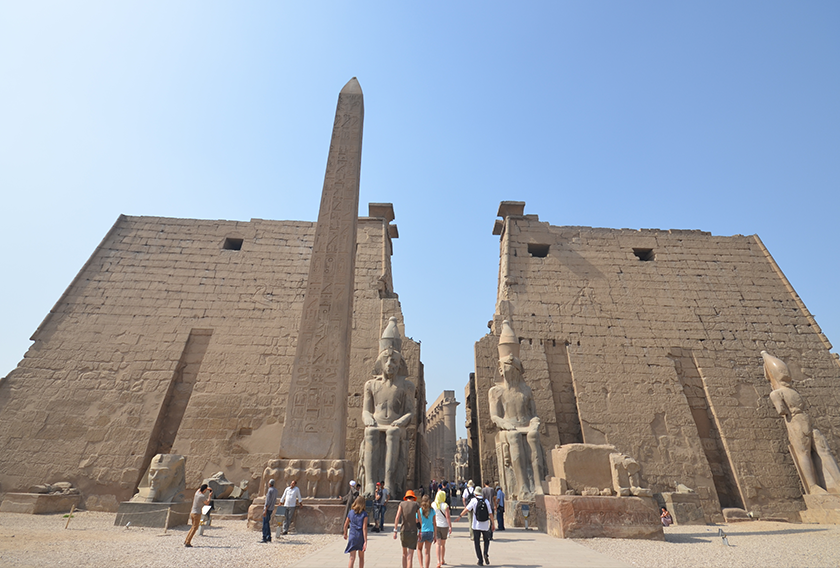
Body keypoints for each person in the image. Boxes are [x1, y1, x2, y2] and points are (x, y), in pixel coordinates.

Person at [456, 488, 495, 566]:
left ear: (475, 494)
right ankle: (485, 553)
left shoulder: (474, 500)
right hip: (485, 525)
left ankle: (480, 560)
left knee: (477, 542)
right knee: (486, 540)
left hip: (476, 525)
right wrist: (493, 524)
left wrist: (460, 516)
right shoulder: (486, 501)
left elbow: (467, 509)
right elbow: (490, 513)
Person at [394, 489, 420, 568]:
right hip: (413, 531)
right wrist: (420, 530)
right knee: (410, 555)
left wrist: (395, 530)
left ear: (406, 497)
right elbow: (419, 518)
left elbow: (397, 517)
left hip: (404, 530)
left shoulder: (402, 504)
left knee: (404, 554)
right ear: (413, 497)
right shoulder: (416, 504)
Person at [344, 495, 369, 568]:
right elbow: (364, 528)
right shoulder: (364, 514)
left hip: (352, 535)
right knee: (361, 557)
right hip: (360, 536)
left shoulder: (351, 512)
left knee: (352, 557)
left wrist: (345, 533)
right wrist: (365, 541)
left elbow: (345, 524)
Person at [432, 489, 452, 568]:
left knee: (437, 544)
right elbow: (447, 517)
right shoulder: (445, 505)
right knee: (442, 545)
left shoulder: (433, 504)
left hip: (436, 526)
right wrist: (450, 526)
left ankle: (438, 561)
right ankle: (442, 559)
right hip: (444, 526)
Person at [417, 495, 435, 568]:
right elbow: (435, 523)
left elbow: (417, 522)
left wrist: (418, 532)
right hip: (430, 531)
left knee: (419, 549)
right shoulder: (432, 510)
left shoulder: (419, 510)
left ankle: (421, 566)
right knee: (427, 552)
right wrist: (435, 534)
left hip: (422, 531)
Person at [260, 478, 277, 543]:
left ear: (269, 484)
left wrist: (265, 510)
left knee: (265, 524)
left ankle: (264, 537)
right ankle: (269, 537)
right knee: (267, 523)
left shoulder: (270, 490)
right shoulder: (276, 490)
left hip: (268, 508)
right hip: (271, 508)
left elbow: (268, 501)